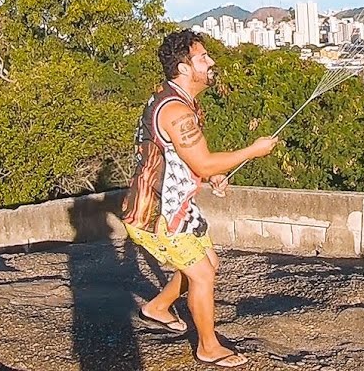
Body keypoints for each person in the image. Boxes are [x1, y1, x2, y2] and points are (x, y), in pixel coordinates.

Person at [120, 30, 279, 368]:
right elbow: (202, 160)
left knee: (207, 265)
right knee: (203, 275)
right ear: (183, 67)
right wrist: (252, 151)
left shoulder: (176, 99)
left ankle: (157, 307)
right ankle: (208, 347)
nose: (211, 62)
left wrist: (210, 174)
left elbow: (191, 159)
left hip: (175, 205)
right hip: (157, 213)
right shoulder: (177, 111)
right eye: (203, 58)